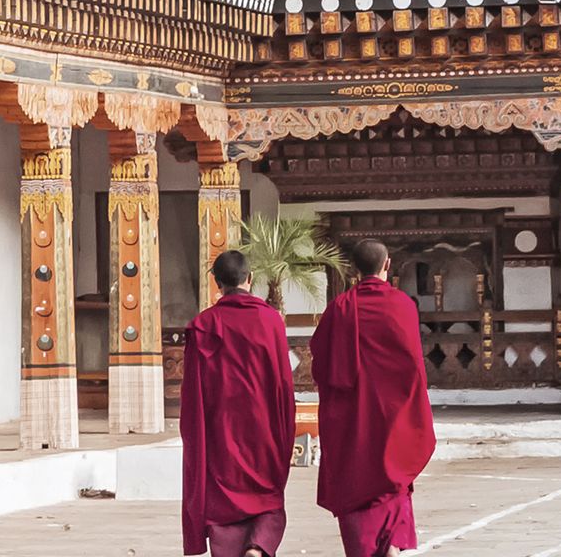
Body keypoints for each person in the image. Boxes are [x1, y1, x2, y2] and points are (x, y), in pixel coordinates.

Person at [311, 239, 436, 557]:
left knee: (356, 478)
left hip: (352, 417)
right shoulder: (402, 305)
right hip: (393, 413)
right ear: (387, 265)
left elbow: (320, 364)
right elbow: (414, 367)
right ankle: (391, 539)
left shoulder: (338, 309)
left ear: (354, 268)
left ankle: (367, 545)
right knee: (393, 475)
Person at [181, 250, 299, 557]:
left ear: (217, 283)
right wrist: (285, 430)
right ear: (250, 278)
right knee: (266, 494)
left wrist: (195, 439)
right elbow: (283, 384)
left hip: (221, 432)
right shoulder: (270, 320)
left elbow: (192, 396)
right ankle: (258, 545)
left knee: (223, 501)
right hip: (263, 428)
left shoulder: (202, 326)